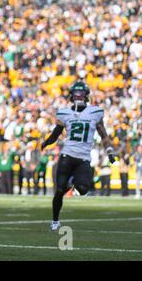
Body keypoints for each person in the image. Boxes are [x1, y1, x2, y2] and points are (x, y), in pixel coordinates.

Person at [41, 81, 116, 231]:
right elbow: (56, 133)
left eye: (81, 94)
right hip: (66, 156)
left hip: (83, 158)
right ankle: (55, 221)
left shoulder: (95, 113)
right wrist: (46, 143)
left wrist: (109, 151)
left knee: (83, 189)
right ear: (71, 96)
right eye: (76, 94)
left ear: (86, 96)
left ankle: (72, 182)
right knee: (59, 191)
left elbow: (104, 135)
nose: (79, 97)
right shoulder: (65, 113)